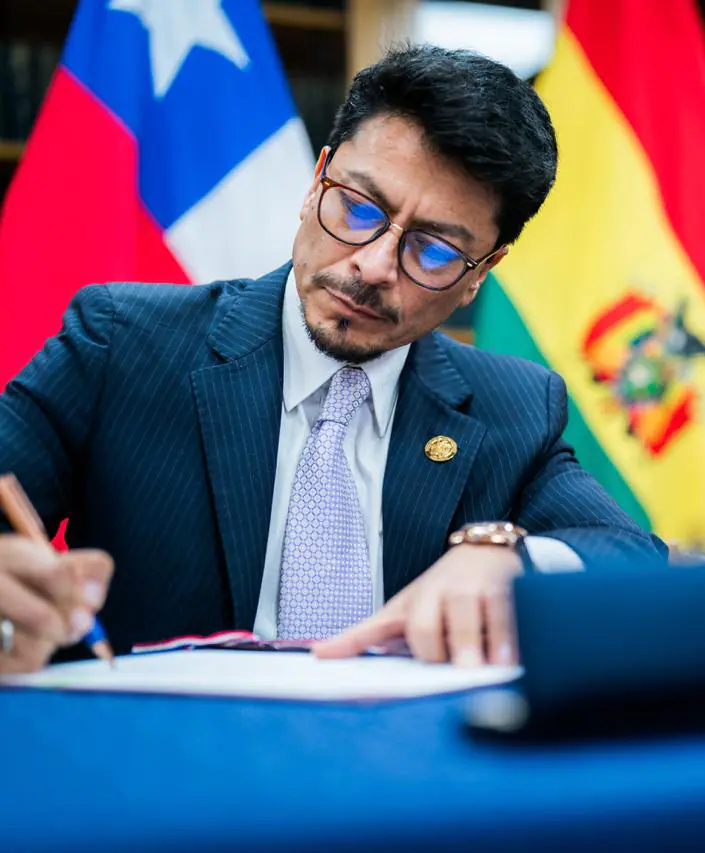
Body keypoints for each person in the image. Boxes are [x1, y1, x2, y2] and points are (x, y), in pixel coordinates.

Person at [0, 44, 665, 675]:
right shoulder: (121, 343)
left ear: (479, 275)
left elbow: (631, 555)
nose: (373, 266)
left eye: (434, 250)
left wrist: (511, 558)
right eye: (358, 208)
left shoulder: (512, 408)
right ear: (317, 179)